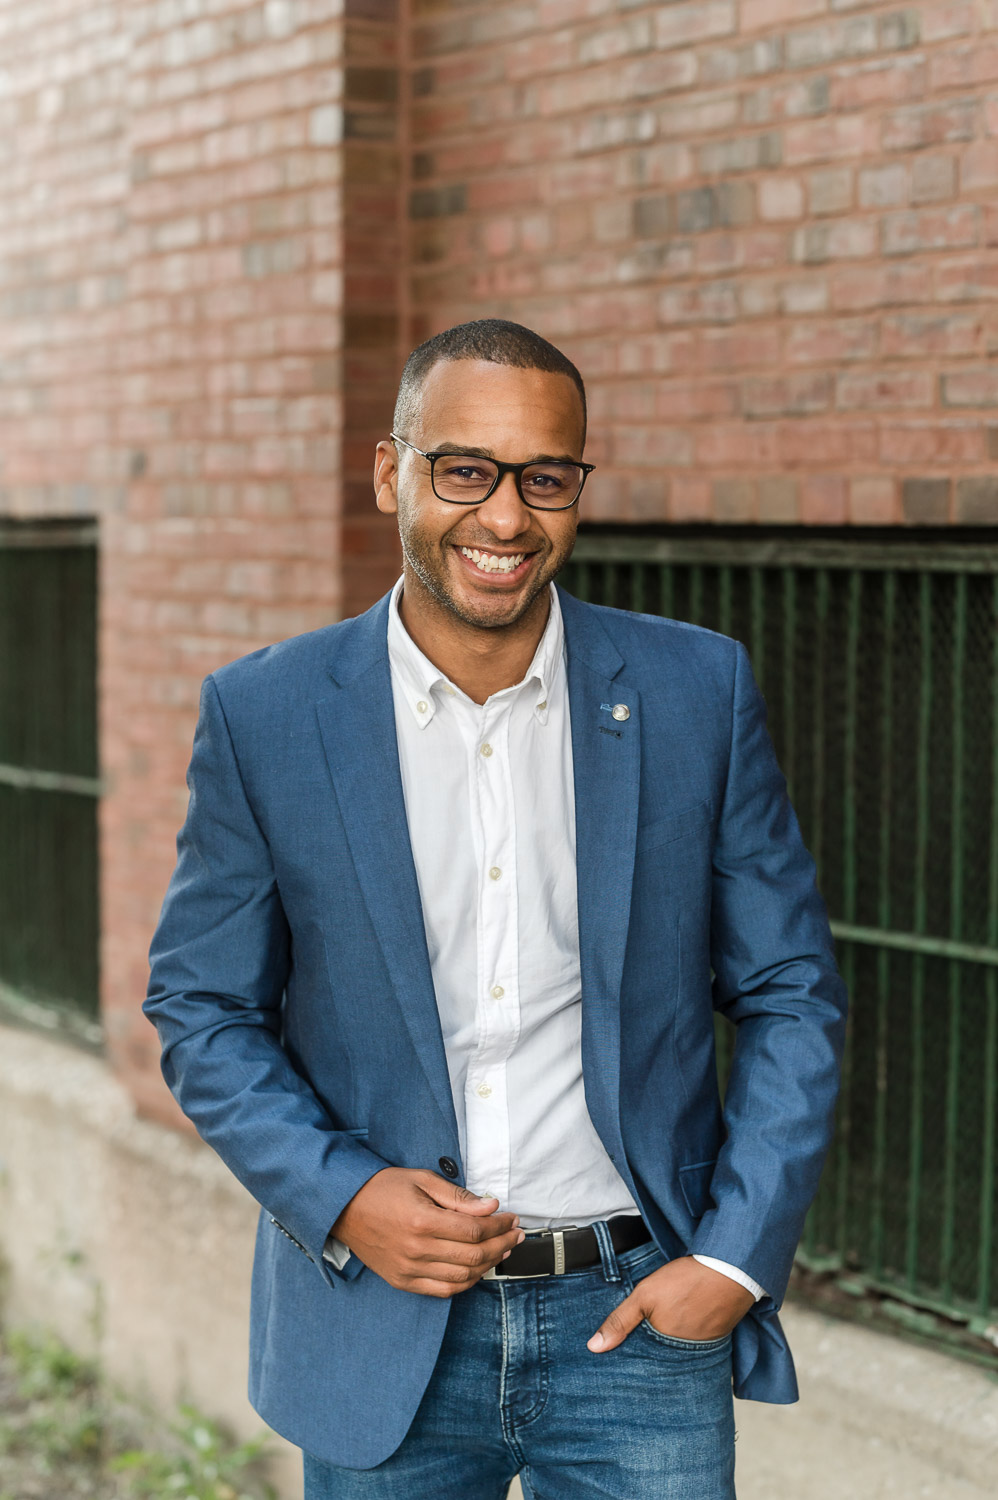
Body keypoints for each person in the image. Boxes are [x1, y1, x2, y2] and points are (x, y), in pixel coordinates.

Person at [145, 318, 847, 1499]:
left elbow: (788, 991)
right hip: (381, 1321)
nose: (506, 518)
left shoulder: (692, 690)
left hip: (634, 1321)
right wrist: (342, 1193)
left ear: (578, 485)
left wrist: (731, 1255)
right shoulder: (266, 717)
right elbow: (202, 1007)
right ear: (391, 472)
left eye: (545, 478)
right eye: (463, 469)